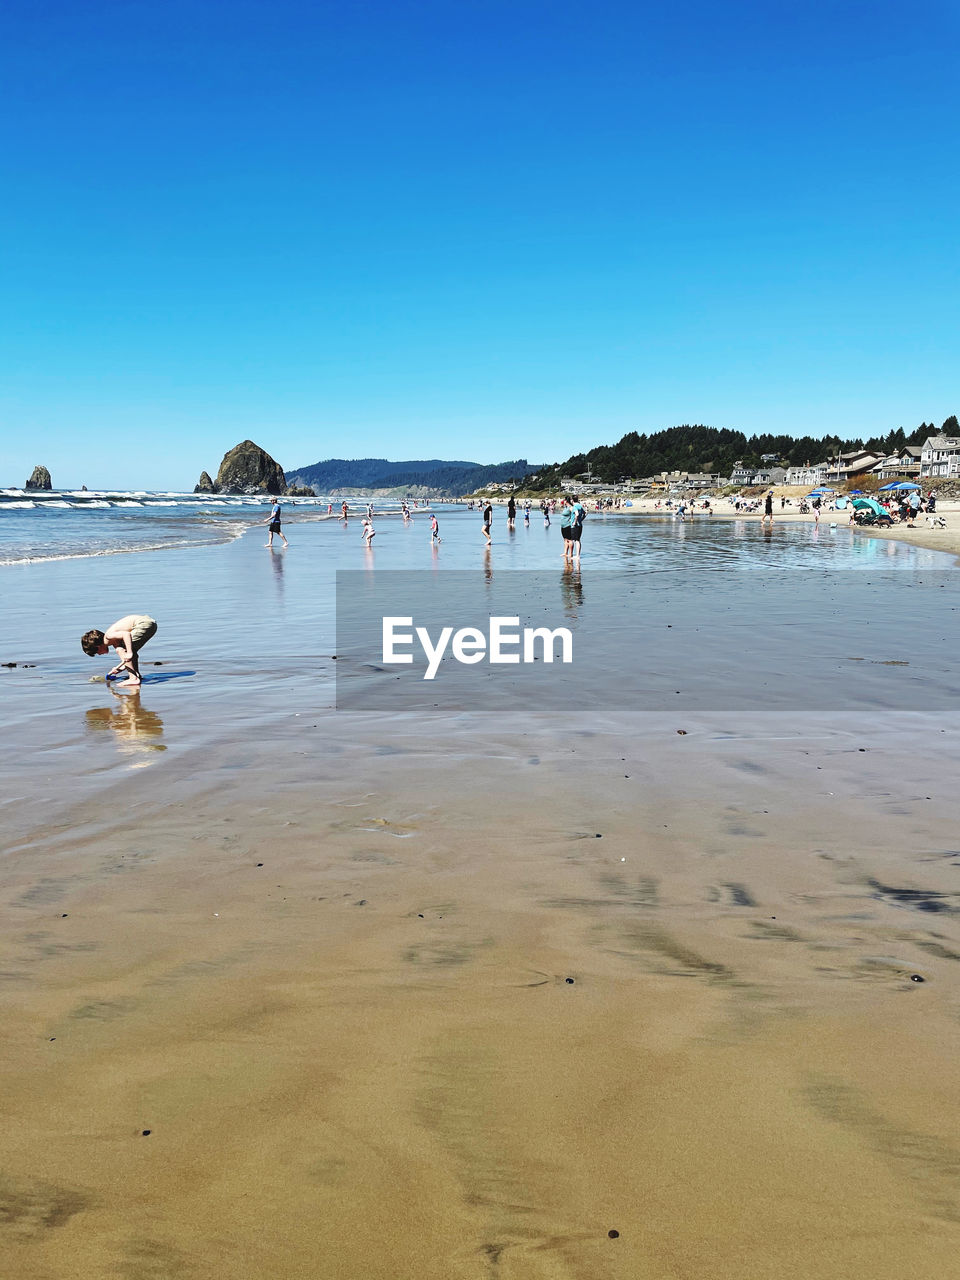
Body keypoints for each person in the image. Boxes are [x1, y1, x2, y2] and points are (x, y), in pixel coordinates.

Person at [81, 614, 157, 688]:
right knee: (123, 649)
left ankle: (133, 678)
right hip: (150, 623)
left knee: (124, 649)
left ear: (98, 647)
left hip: (143, 624)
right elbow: (129, 657)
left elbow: (126, 634)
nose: (100, 654)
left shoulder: (108, 636)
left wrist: (129, 652)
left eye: (97, 652)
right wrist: (121, 667)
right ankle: (136, 675)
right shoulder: (115, 642)